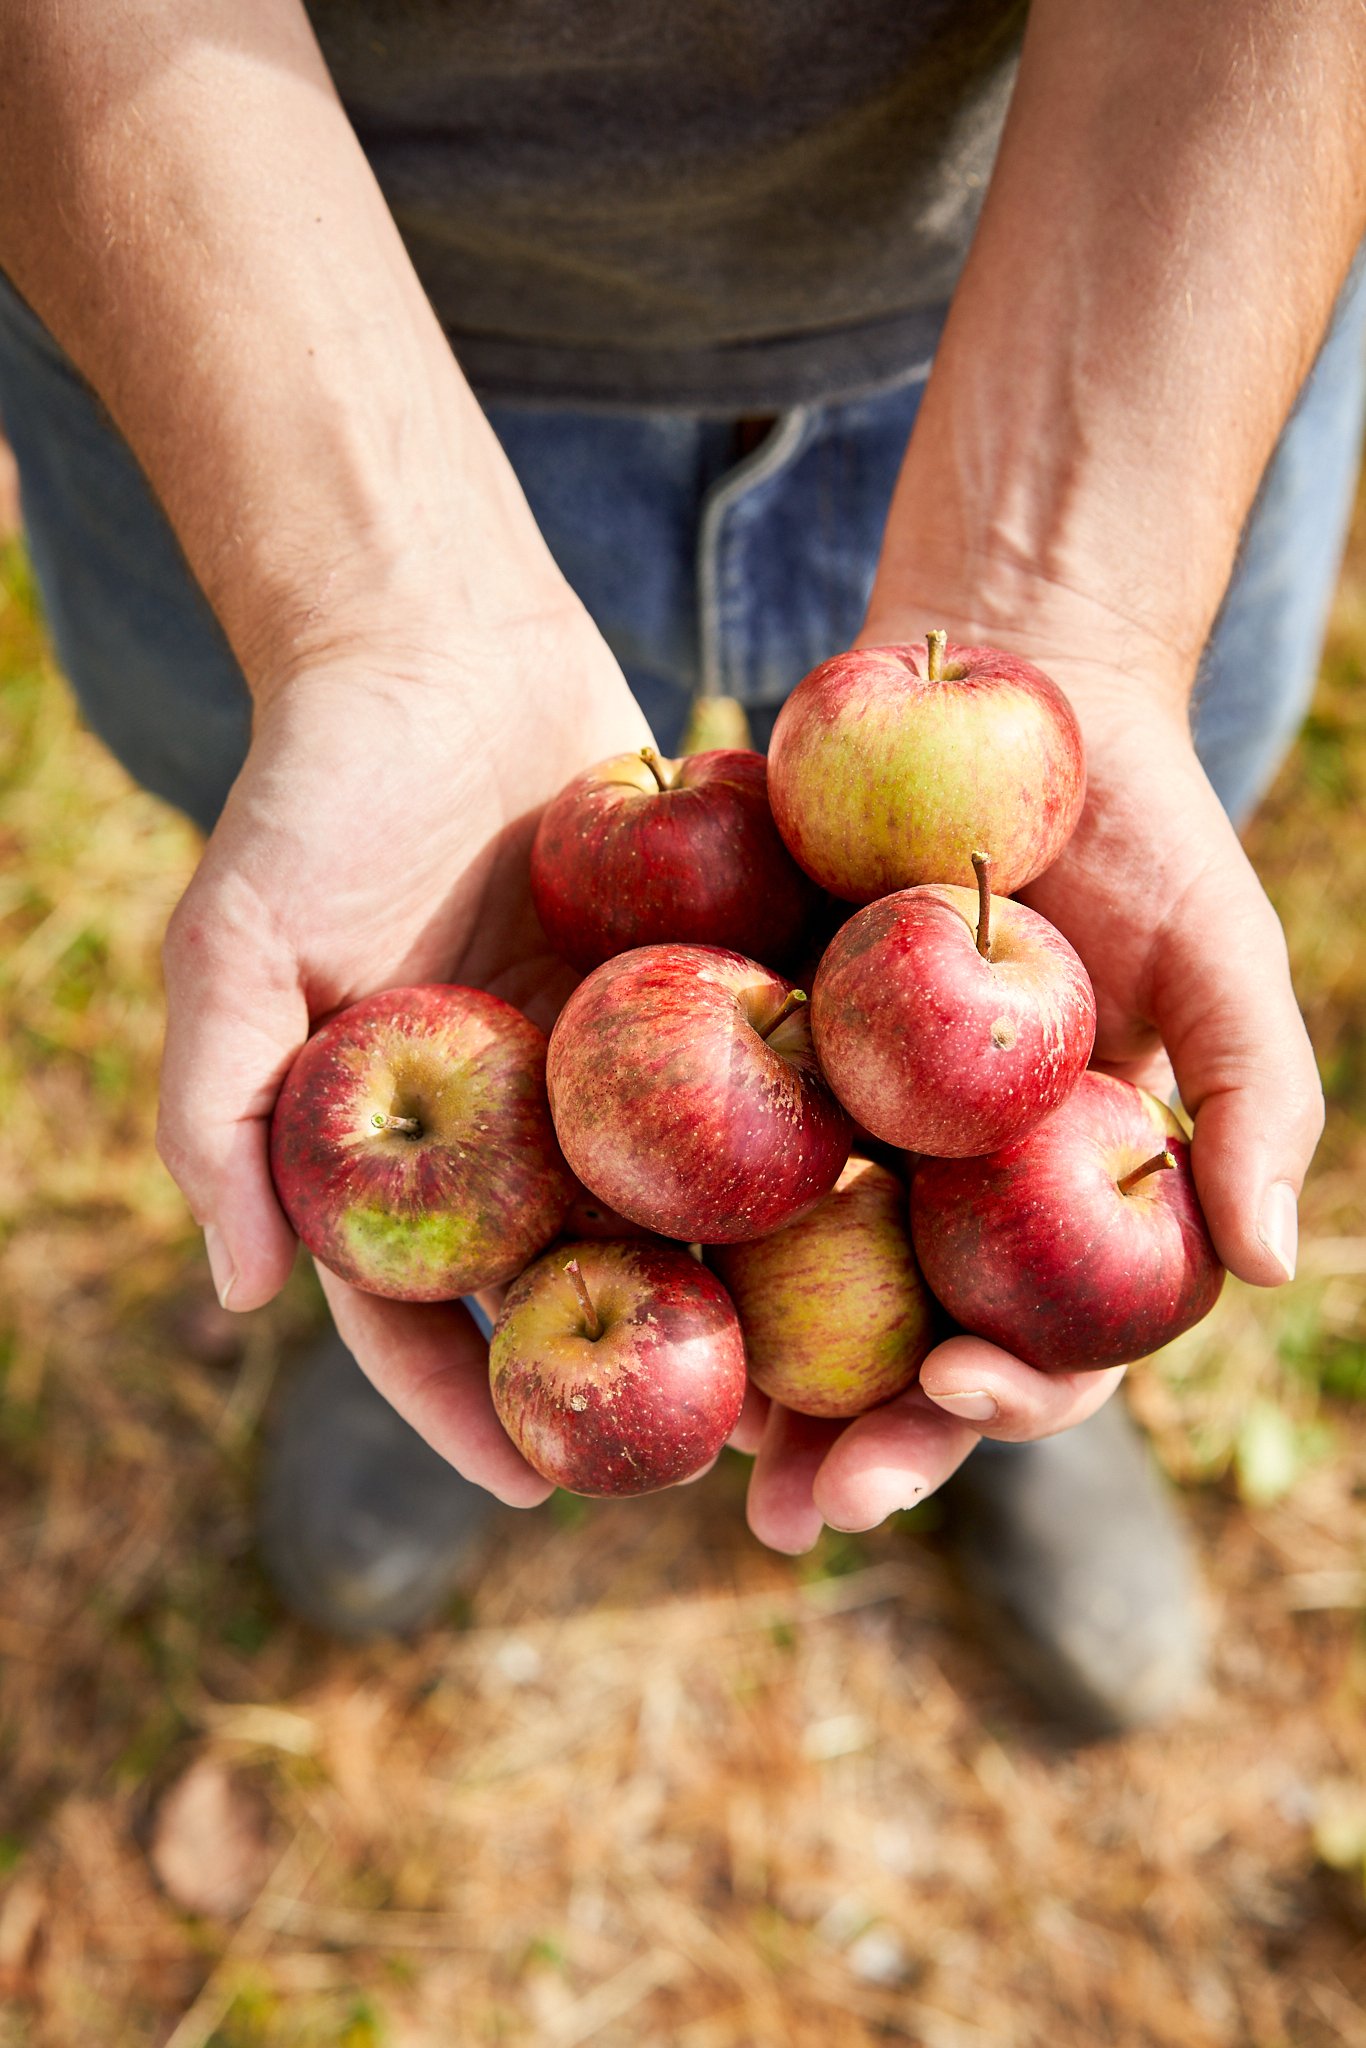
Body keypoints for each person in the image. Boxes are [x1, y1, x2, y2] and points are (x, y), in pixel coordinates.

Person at [1, 1, 1362, 1731]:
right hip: (267, 309)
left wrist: (1076, 605)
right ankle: (497, 1292)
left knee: (1075, 1082)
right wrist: (367, 620)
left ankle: (1007, 1301)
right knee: (359, 875)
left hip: (1114, 291)